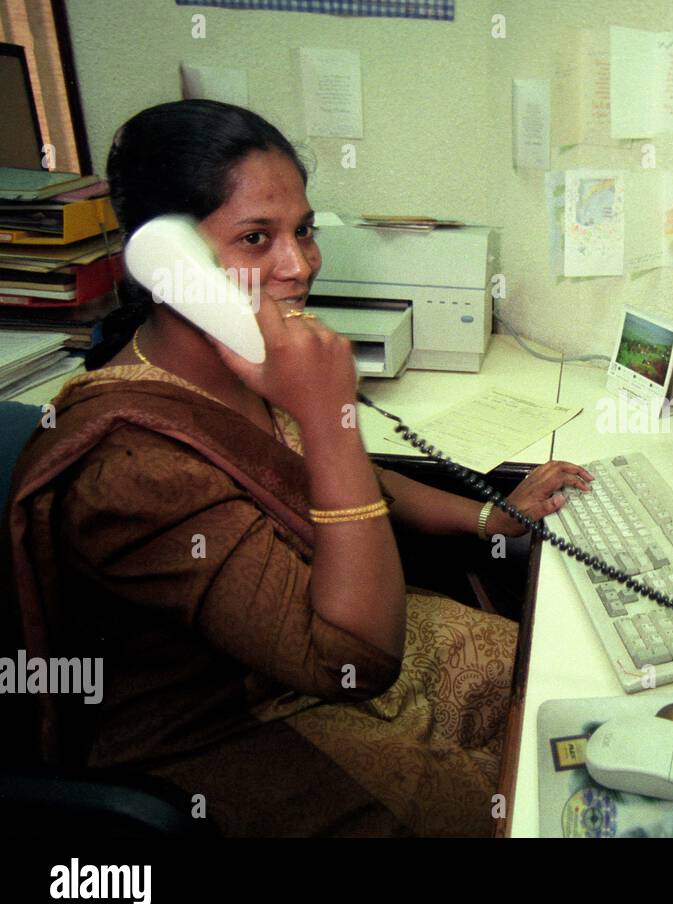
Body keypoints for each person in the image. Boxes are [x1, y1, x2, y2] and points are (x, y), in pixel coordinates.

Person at [6, 100, 593, 836]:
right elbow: (357, 656)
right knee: (525, 814)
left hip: (335, 635)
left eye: (305, 230)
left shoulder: (250, 360)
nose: (302, 263)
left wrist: (488, 517)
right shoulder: (131, 467)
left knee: (560, 689)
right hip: (234, 724)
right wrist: (326, 415)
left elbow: (349, 485)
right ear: (167, 265)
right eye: (258, 238)